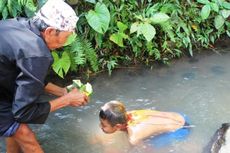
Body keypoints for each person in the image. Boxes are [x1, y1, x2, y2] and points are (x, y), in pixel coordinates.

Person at [0, 0, 89, 153]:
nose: (66, 43)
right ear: (49, 31)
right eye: (66, 37)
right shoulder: (37, 53)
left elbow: (26, 77)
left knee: (15, 127)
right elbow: (23, 113)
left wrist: (62, 92)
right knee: (24, 134)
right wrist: (66, 100)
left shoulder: (16, 25)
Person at [98, 101, 191, 147]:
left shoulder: (133, 137)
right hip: (179, 116)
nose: (100, 126)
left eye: (103, 125)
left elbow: (146, 150)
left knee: (155, 145)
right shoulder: (128, 114)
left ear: (118, 126)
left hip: (181, 130)